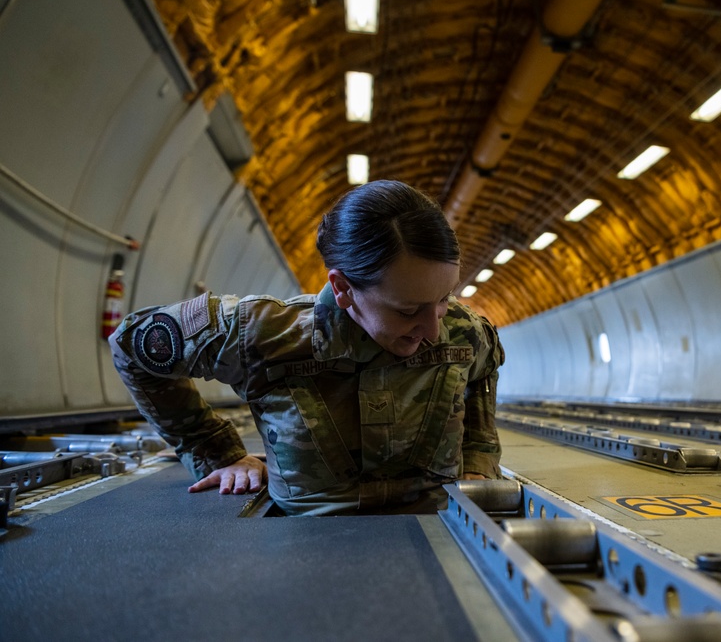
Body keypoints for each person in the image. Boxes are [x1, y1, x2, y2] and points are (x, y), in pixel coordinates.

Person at [109, 180, 504, 515]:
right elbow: (131, 344)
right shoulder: (262, 334)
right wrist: (214, 451)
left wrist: (479, 458)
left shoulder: (462, 331)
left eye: (443, 299)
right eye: (408, 310)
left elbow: (484, 366)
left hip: (442, 544)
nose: (434, 329)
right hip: (304, 553)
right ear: (343, 288)